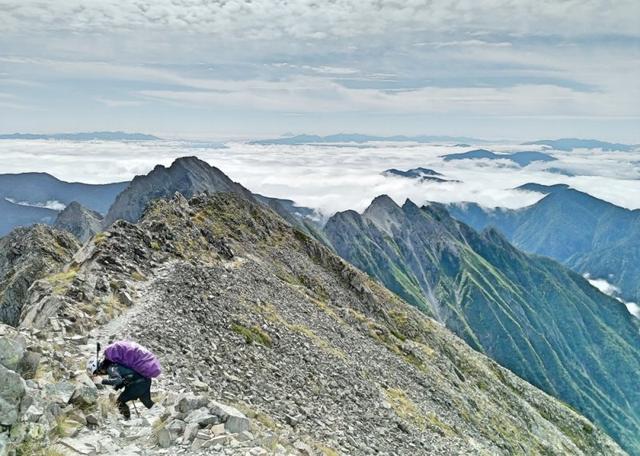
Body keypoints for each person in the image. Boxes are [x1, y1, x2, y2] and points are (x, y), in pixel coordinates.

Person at [87, 357, 154, 420]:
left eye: (96, 373)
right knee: (147, 402)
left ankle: (127, 420)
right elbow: (124, 377)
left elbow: (118, 380)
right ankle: (159, 412)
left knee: (120, 401)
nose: (99, 375)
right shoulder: (113, 364)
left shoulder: (110, 368)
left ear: (98, 368)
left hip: (138, 383)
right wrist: (114, 389)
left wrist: (102, 381)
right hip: (145, 380)